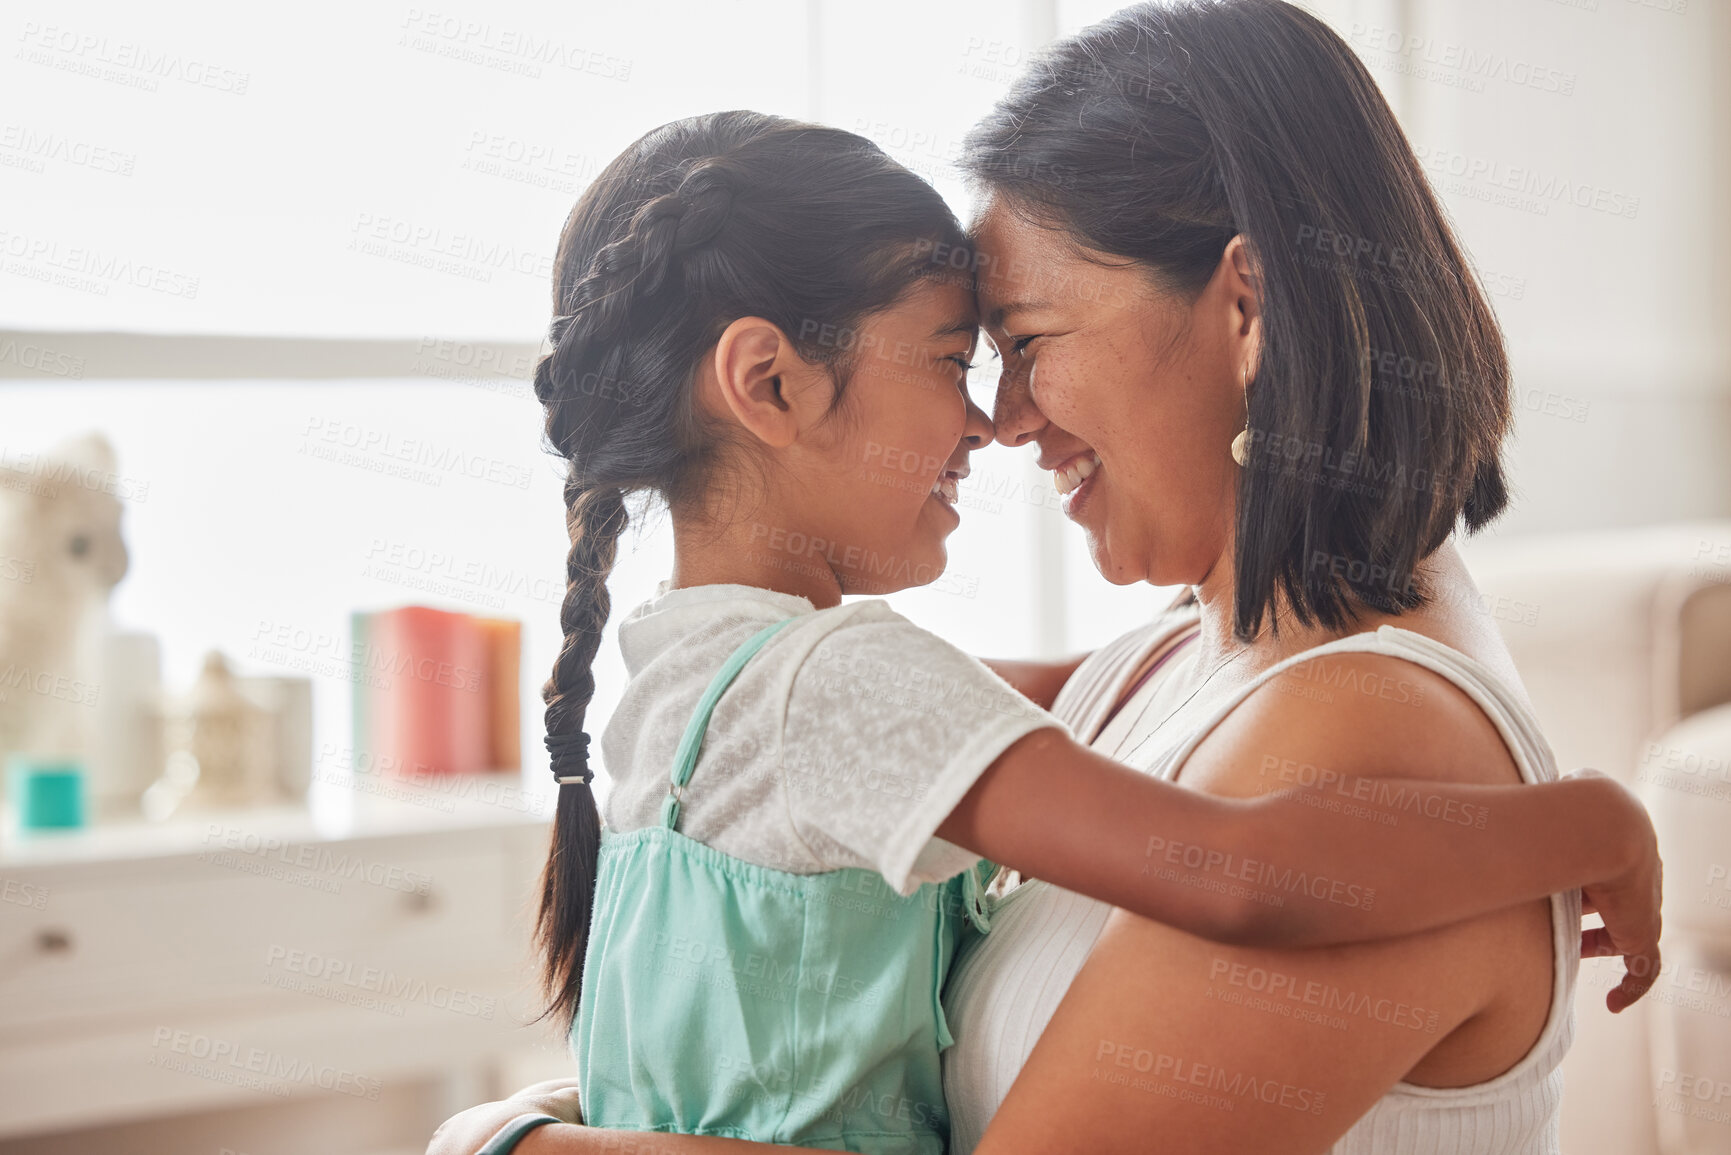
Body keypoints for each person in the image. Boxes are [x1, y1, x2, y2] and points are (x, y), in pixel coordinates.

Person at [429, 64, 1660, 1155]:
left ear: (1248, 308)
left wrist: (511, 1142)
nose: (1002, 421)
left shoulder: (1366, 730)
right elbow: (1230, 872)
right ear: (766, 383)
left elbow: (1230, 864)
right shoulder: (1115, 668)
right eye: (964, 357)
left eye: (1020, 340)